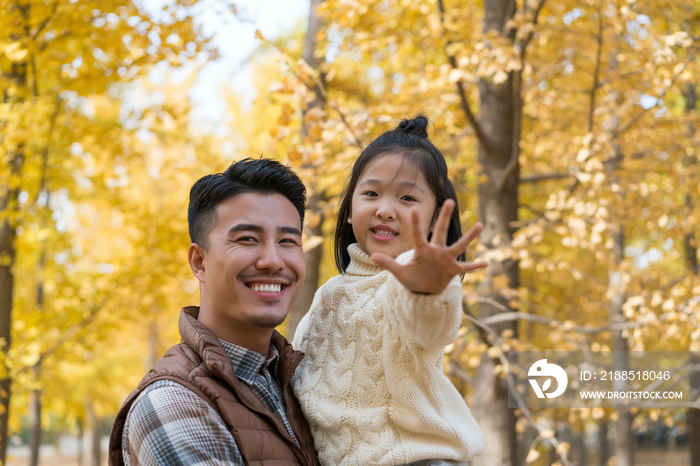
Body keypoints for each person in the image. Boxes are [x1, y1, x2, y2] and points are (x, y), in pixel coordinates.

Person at [292, 116, 487, 466]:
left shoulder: (409, 284)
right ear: (350, 210)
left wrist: (427, 290)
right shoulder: (329, 294)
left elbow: (429, 327)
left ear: (432, 219)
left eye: (408, 198)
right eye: (371, 193)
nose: (385, 210)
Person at [108, 158, 320, 466]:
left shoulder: (303, 384)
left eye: (288, 241)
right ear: (199, 262)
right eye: (248, 239)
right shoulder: (173, 403)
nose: (273, 261)